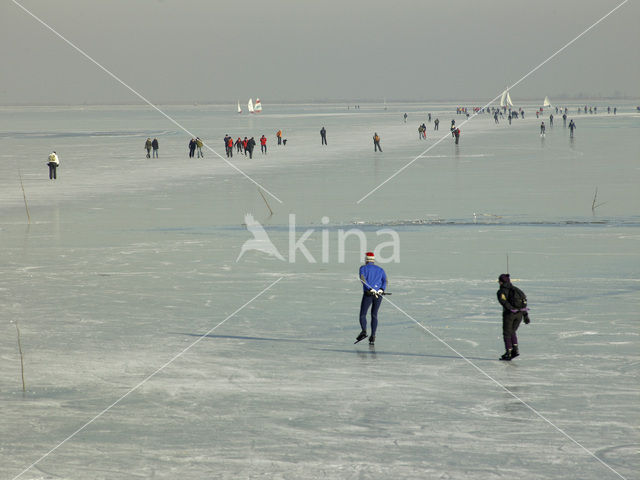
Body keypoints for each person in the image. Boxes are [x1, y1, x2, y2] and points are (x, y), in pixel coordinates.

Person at [356, 252, 387, 345]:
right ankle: (373, 335)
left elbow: (362, 279)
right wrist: (381, 289)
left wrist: (370, 288)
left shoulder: (363, 268)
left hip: (368, 294)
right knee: (374, 314)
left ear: (366, 260)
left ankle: (364, 331)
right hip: (379, 295)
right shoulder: (380, 269)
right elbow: (385, 281)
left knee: (363, 314)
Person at [496, 273, 530, 361]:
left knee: (507, 333)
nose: (498, 283)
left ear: (502, 282)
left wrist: (511, 309)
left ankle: (508, 352)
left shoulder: (502, 291)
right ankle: (515, 350)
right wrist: (525, 315)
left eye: (499, 281)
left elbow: (503, 302)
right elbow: (524, 302)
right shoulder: (517, 290)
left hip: (510, 314)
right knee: (512, 331)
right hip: (520, 314)